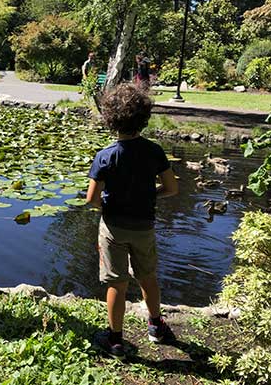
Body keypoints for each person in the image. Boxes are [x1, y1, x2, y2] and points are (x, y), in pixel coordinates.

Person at [85, 84, 179, 357]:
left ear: (110, 119)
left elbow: (92, 198)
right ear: (143, 117)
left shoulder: (105, 156)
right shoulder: (155, 151)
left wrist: (110, 203)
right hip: (144, 227)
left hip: (114, 227)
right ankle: (156, 326)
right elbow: (172, 189)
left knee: (117, 282)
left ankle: (115, 339)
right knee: (147, 277)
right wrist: (149, 194)